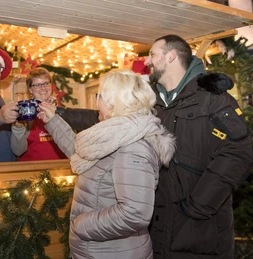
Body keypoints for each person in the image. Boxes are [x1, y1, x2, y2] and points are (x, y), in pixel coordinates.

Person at [46, 35, 253, 259]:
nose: (147, 61)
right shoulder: (153, 99)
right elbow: (110, 122)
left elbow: (240, 151)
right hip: (159, 225)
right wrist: (60, 114)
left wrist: (199, 204)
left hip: (200, 232)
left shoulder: (212, 99)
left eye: (153, 54)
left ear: (171, 56)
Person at [38, 69, 176, 259]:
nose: (97, 101)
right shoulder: (117, 134)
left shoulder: (133, 146)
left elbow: (135, 214)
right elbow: (84, 155)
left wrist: (81, 226)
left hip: (113, 251)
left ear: (113, 102)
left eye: (100, 95)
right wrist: (52, 121)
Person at [10, 67, 67, 161]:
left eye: (46, 83)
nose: (43, 88)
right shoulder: (24, 114)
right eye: (37, 85)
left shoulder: (62, 112)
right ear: (30, 89)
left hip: (60, 171)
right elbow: (18, 151)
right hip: (32, 172)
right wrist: (18, 128)